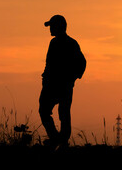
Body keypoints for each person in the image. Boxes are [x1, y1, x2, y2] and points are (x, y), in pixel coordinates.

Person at [39, 15, 86, 148]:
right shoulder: (53, 43)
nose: (50, 29)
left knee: (63, 112)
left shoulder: (71, 43)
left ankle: (61, 141)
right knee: (44, 110)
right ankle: (57, 139)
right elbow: (49, 64)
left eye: (52, 26)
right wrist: (46, 77)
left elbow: (82, 63)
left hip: (62, 86)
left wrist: (71, 78)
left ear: (60, 27)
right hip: (50, 85)